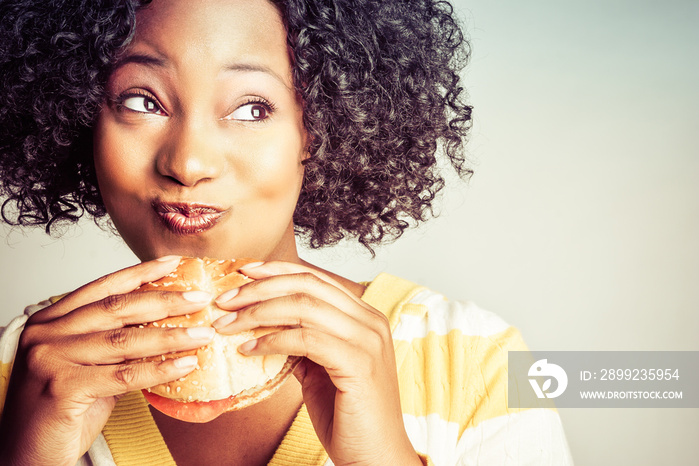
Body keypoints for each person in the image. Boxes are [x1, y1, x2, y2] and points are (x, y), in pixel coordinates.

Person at [0, 0, 573, 464]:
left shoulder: (477, 362)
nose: (189, 161)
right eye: (141, 100)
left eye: (251, 108)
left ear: (319, 127)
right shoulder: (21, 367)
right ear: (77, 115)